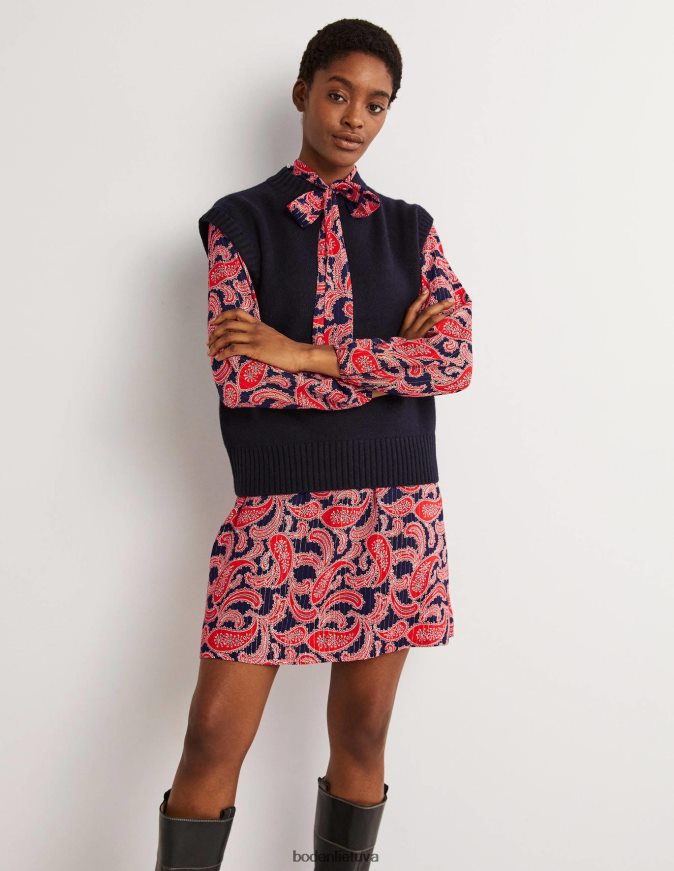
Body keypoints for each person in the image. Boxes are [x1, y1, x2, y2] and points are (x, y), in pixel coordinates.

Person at [154, 17, 473, 871]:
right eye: (338, 94)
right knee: (210, 735)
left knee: (363, 733)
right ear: (303, 94)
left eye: (376, 103)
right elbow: (242, 379)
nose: (354, 117)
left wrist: (303, 352)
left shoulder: (411, 229)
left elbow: (453, 359)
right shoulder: (238, 223)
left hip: (394, 513)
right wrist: (390, 362)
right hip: (275, 512)